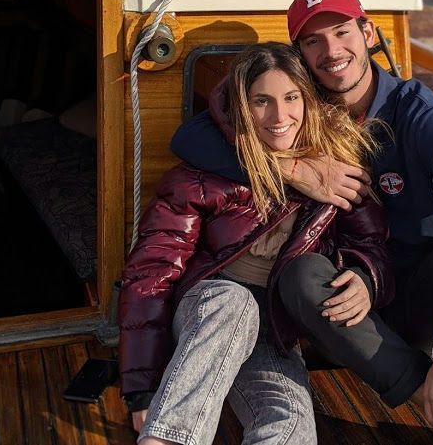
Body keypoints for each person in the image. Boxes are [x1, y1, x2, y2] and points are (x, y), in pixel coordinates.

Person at [171, 0, 433, 445]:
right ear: (300, 54)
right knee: (300, 274)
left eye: (342, 32)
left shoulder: (417, 111)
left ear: (368, 33)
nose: (331, 51)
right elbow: (192, 137)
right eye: (313, 41)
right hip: (339, 309)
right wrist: (294, 168)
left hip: (418, 301)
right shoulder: (299, 105)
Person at [119, 42, 393, 445]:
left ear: (308, 100)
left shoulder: (337, 170)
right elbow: (152, 274)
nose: (280, 117)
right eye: (262, 101)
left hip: (273, 325)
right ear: (242, 108)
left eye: (291, 98)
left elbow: (371, 244)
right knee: (234, 304)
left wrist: (365, 277)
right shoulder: (203, 175)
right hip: (208, 311)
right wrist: (142, 388)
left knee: (289, 423)